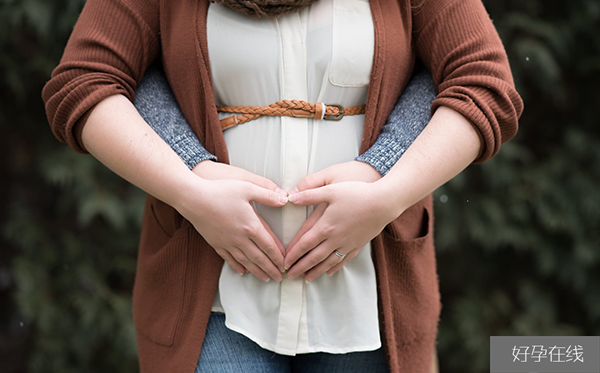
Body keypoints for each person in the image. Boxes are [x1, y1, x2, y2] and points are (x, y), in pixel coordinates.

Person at [42, 1, 524, 372]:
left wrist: (385, 189)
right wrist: (191, 186)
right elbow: (86, 82)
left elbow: (483, 83)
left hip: (367, 296)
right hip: (213, 297)